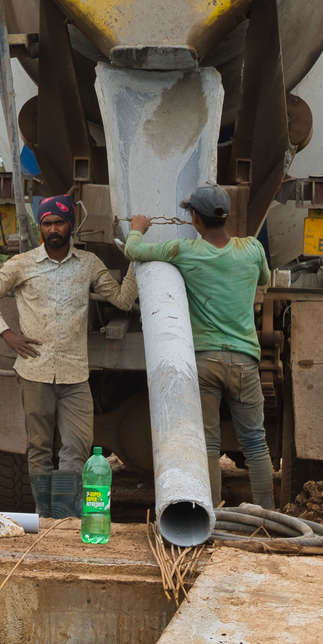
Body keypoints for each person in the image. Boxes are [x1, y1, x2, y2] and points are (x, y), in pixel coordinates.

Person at [0, 195, 137, 519]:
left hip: (76, 373)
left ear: (70, 225)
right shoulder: (22, 264)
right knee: (39, 449)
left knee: (76, 447)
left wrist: (137, 253)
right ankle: (45, 516)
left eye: (59, 222)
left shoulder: (88, 264)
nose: (53, 229)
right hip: (35, 370)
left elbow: (123, 300)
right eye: (46, 223)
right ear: (40, 228)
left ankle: (64, 516)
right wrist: (7, 333)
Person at [125, 184, 273, 508]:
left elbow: (134, 253)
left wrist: (137, 230)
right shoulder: (251, 250)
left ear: (194, 218)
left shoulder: (185, 251)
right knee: (256, 443)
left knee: (208, 444)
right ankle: (268, 516)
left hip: (205, 361)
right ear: (227, 214)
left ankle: (214, 514)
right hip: (246, 362)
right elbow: (264, 279)